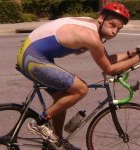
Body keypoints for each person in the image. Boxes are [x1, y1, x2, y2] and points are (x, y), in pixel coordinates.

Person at [17, 2, 140, 150]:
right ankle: (39, 122)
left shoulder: (92, 26)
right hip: (31, 58)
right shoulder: (91, 37)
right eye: (112, 25)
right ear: (101, 18)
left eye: (118, 29)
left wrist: (133, 52)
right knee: (80, 89)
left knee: (62, 97)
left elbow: (108, 60)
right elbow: (110, 69)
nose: (114, 31)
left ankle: (56, 141)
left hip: (35, 55)